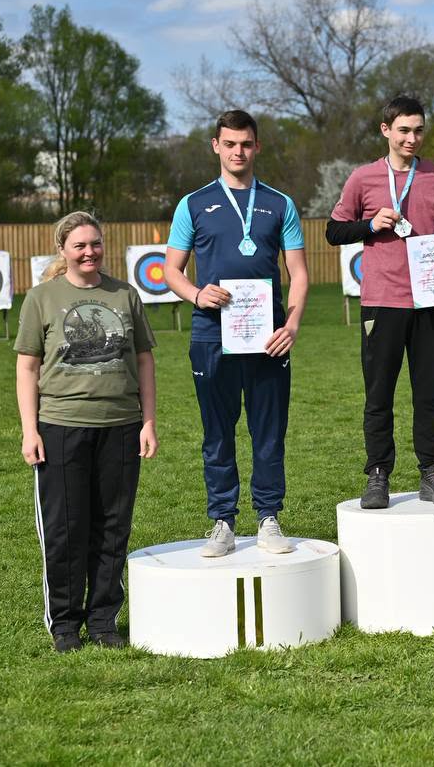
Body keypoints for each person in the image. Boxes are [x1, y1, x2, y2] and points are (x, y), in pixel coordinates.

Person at [163, 109, 309, 557]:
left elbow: (299, 274)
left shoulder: (280, 203)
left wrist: (292, 325)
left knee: (269, 431)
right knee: (217, 433)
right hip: (211, 336)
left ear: (256, 146)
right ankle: (223, 521)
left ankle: (268, 517)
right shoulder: (192, 204)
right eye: (229, 144)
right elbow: (171, 269)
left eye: (245, 144)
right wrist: (195, 294)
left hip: (268, 338)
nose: (238, 151)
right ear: (216, 146)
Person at [15, 211, 158, 652]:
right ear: (63, 250)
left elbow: (145, 360)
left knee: (112, 527)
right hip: (60, 427)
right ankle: (64, 625)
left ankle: (103, 621)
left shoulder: (125, 295)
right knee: (65, 528)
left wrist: (148, 420)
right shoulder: (41, 298)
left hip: (119, 427)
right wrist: (29, 430)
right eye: (79, 245)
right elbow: (27, 366)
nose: (89, 252)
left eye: (95, 243)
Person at [326, 94, 434, 509]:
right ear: (386, 131)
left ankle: (431, 471)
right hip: (382, 301)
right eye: (404, 130)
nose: (412, 138)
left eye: (419, 130)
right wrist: (369, 224)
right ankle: (377, 474)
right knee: (379, 393)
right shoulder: (363, 178)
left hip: (431, 301)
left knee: (430, 392)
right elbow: (334, 232)